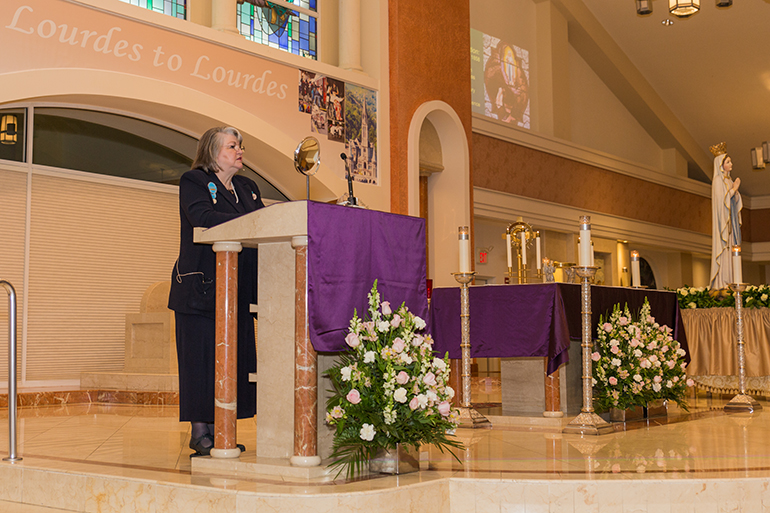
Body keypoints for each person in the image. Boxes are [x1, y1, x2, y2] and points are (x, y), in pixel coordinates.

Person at [168, 126, 265, 456]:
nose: (240, 151)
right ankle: (200, 431)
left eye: (241, 145)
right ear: (212, 152)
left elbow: (264, 222)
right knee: (201, 361)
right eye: (232, 145)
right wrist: (252, 222)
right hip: (200, 287)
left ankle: (224, 426)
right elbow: (203, 217)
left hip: (238, 290)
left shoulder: (247, 187)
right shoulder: (193, 181)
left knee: (233, 362)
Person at [709, 142, 742, 290]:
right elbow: (721, 203)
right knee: (724, 250)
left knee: (732, 249)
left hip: (731, 223)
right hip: (724, 223)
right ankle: (723, 283)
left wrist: (735, 191)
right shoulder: (717, 181)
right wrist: (734, 189)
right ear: (721, 165)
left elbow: (733, 201)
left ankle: (733, 281)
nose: (731, 164)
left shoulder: (728, 181)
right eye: (728, 162)